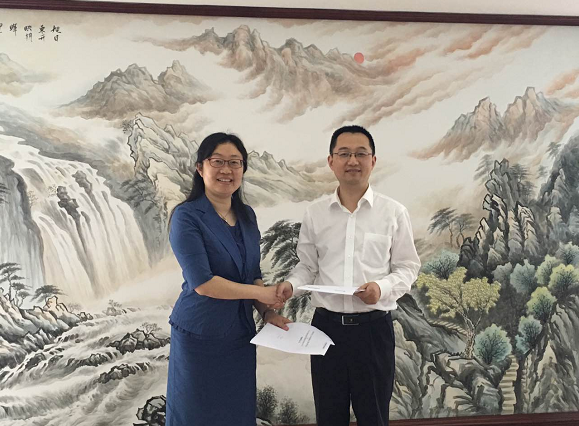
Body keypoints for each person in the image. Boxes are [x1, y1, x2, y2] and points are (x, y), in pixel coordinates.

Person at [276, 125, 421, 426]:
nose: (352, 160)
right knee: (329, 417)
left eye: (360, 154)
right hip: (326, 330)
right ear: (331, 161)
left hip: (373, 331)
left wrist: (381, 288)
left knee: (374, 417)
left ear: (373, 160)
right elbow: (307, 267)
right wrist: (291, 285)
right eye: (344, 154)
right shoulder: (315, 213)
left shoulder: (393, 212)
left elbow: (408, 267)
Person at [166, 132, 291, 426]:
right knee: (195, 416)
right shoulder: (186, 216)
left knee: (236, 415)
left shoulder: (246, 215)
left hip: (239, 336)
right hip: (200, 335)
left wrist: (268, 312)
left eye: (235, 162)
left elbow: (253, 274)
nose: (227, 170)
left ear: (243, 169)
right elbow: (203, 283)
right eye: (218, 161)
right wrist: (261, 294)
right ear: (200, 168)